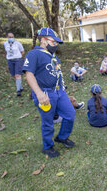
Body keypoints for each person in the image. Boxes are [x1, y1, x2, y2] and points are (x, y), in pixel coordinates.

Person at [23, 27, 76, 158]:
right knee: (48, 122)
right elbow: (29, 74)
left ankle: (62, 137)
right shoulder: (34, 54)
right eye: (53, 42)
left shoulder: (53, 56)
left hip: (59, 92)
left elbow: (57, 75)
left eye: (56, 42)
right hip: (45, 93)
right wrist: (39, 93)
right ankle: (47, 146)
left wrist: (63, 90)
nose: (56, 45)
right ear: (43, 41)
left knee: (70, 114)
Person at [4, 32, 25, 96]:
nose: (11, 38)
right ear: (7, 37)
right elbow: (7, 51)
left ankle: (18, 91)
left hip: (18, 60)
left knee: (17, 75)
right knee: (13, 75)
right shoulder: (5, 44)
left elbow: (23, 51)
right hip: (10, 60)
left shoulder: (18, 43)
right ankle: (20, 87)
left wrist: (18, 57)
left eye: (12, 37)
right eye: (10, 37)